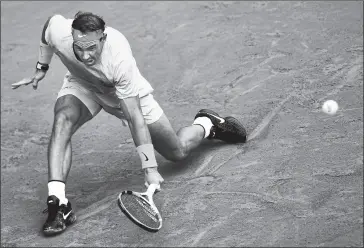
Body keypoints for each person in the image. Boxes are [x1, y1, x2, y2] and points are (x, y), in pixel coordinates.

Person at [12, 11, 247, 236]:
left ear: (103, 38)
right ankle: (58, 203)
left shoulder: (119, 58)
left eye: (92, 48)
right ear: (71, 37)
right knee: (62, 118)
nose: (85, 56)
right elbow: (47, 29)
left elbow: (135, 118)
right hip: (83, 85)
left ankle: (208, 123)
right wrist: (41, 67)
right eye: (79, 47)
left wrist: (150, 168)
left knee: (177, 152)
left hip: (124, 95)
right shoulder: (59, 31)